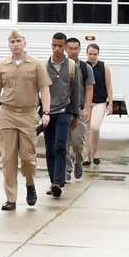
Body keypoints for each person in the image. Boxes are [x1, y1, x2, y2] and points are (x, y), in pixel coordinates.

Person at [0, 29, 52, 211]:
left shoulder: (36, 65)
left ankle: (30, 184)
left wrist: (46, 112)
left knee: (28, 158)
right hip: (7, 114)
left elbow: (45, 89)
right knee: (8, 158)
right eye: (12, 41)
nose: (15, 44)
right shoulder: (2, 66)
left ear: (25, 43)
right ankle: (11, 198)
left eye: (18, 41)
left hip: (28, 115)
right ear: (9, 44)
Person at [42, 32, 80, 199]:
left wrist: (75, 114)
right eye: (54, 45)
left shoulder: (72, 67)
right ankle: (53, 182)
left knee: (60, 146)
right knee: (50, 149)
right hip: (48, 112)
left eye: (60, 46)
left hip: (64, 112)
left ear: (65, 47)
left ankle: (58, 181)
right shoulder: (43, 66)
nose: (57, 49)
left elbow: (76, 91)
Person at [65, 37, 94, 182]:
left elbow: (89, 89)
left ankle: (78, 161)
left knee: (77, 142)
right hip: (63, 110)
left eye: (76, 48)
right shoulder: (61, 66)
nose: (73, 51)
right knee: (64, 142)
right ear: (66, 49)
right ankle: (67, 168)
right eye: (70, 48)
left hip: (80, 109)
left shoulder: (85, 68)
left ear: (80, 50)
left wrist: (88, 109)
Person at [84, 43, 113, 166]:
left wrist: (110, 103)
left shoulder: (103, 67)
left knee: (95, 127)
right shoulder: (83, 66)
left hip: (99, 101)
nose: (92, 56)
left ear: (98, 54)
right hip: (86, 102)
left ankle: (95, 150)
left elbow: (109, 85)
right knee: (87, 129)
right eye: (90, 54)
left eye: (94, 54)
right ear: (86, 54)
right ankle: (87, 155)